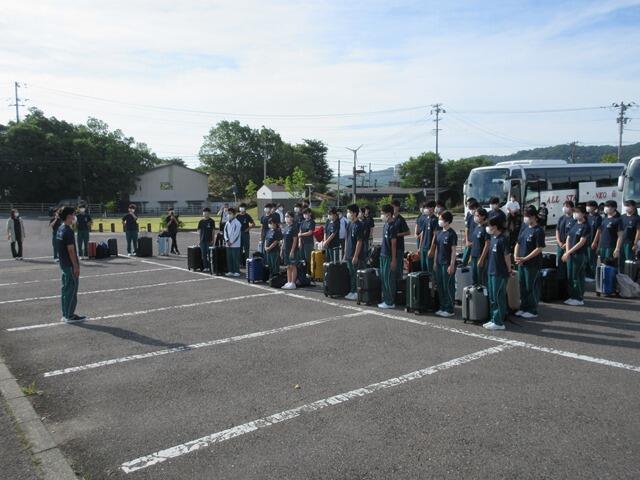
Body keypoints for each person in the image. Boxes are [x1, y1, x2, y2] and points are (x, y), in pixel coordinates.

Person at [514, 206, 545, 319]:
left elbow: (539, 248)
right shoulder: (525, 228)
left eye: (527, 216)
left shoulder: (538, 230)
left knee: (530, 286)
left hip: (532, 264)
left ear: (534, 217)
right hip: (521, 262)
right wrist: (516, 256)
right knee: (522, 286)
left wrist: (525, 258)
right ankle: (524, 307)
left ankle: (532, 310)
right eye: (525, 216)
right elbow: (518, 243)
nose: (525, 218)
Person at [56, 206, 85, 322]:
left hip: (64, 264)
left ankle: (65, 314)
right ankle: (69, 315)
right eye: (73, 214)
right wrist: (76, 266)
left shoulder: (60, 228)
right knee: (71, 290)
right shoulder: (68, 231)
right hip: (69, 265)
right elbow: (71, 250)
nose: (74, 217)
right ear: (69, 216)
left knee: (65, 290)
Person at [484, 217, 512, 331]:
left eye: (489, 225)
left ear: (495, 227)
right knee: (492, 297)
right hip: (491, 271)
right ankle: (493, 319)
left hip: (500, 273)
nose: (488, 228)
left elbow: (507, 256)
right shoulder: (493, 238)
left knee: (498, 297)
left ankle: (499, 322)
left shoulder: (503, 239)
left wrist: (509, 269)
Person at [562, 205, 591, 306]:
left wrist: (568, 252)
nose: (575, 214)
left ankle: (579, 298)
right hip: (570, 254)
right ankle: (572, 296)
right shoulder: (575, 224)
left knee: (577, 276)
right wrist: (567, 251)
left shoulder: (586, 226)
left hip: (579, 254)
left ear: (583, 214)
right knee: (570, 276)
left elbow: (581, 242)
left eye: (577, 212)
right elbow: (568, 238)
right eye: (574, 212)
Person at [430, 211, 457, 317]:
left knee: (448, 286)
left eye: (441, 219)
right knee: (440, 286)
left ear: (447, 221)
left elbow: (453, 251)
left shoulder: (452, 234)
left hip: (447, 264)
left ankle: (449, 309)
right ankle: (442, 307)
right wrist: (435, 262)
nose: (439, 221)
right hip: (439, 263)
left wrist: (452, 265)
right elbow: (436, 249)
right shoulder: (439, 233)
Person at [378, 204, 397, 309]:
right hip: (383, 255)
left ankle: (390, 302)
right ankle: (385, 299)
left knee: (388, 279)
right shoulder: (386, 225)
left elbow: (393, 244)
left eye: (382, 213)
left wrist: (393, 259)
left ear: (389, 214)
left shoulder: (392, 226)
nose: (381, 215)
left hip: (389, 256)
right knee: (383, 278)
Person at [344, 204, 364, 300]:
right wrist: (345, 252)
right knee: (351, 273)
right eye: (347, 212)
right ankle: (352, 291)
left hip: (355, 254)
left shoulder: (359, 225)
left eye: (349, 212)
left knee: (356, 273)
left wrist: (355, 256)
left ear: (355, 213)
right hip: (349, 253)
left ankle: (356, 292)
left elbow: (359, 241)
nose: (348, 214)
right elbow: (347, 238)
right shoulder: (349, 224)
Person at [593, 200, 621, 264]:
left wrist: (617, 248)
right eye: (605, 206)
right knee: (602, 265)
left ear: (614, 208)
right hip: (602, 246)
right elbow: (601, 233)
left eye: (608, 206)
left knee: (610, 265)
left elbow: (620, 236)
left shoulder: (617, 220)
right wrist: (598, 245)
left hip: (611, 247)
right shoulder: (604, 219)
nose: (606, 208)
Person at [555, 200, 575, 284]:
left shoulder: (574, 219)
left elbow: (573, 235)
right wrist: (559, 241)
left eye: (567, 206)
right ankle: (561, 282)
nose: (564, 208)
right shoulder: (561, 218)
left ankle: (569, 281)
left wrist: (566, 244)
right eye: (564, 206)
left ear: (572, 208)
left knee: (569, 265)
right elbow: (557, 230)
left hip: (569, 245)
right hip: (560, 245)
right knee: (560, 263)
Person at [469, 207, 490, 286]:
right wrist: (471, 256)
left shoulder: (486, 229)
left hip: (480, 256)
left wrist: (482, 259)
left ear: (483, 216)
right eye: (475, 215)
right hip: (474, 255)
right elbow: (474, 243)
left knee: (481, 279)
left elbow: (487, 244)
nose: (475, 217)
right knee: (474, 278)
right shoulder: (476, 227)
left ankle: (483, 293)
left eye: (477, 215)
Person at [617, 200, 640, 269]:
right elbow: (620, 231)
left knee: (629, 260)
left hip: (630, 243)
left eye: (628, 206)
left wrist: (635, 243)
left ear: (633, 207)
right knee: (621, 260)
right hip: (622, 242)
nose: (626, 207)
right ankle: (621, 274)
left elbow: (638, 231)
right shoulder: (622, 217)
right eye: (625, 205)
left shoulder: (637, 218)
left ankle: (629, 274)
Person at [392, 199, 410, 280]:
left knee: (398, 267)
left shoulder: (400, 219)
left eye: (394, 207)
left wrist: (397, 234)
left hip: (399, 247)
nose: (392, 209)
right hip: (391, 247)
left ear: (398, 207)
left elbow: (408, 232)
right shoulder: (390, 219)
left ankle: (399, 283)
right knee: (393, 268)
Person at [418, 201, 438, 273]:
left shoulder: (435, 220)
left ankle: (432, 280)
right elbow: (423, 233)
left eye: (427, 207)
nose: (425, 209)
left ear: (432, 208)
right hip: (423, 247)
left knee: (430, 270)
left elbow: (435, 235)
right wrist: (420, 247)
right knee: (423, 269)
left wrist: (432, 249)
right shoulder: (426, 219)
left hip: (429, 248)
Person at [281, 212, 299, 289]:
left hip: (292, 250)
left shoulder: (294, 227)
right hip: (286, 249)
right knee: (288, 266)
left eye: (287, 216)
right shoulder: (285, 227)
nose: (286, 218)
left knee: (293, 265)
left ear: (292, 218)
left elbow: (295, 240)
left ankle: (293, 283)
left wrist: (292, 251)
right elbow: (283, 240)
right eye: (285, 216)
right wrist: (281, 249)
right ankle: (289, 281)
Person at [585, 200, 602, 281]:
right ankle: (587, 275)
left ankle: (592, 276)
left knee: (592, 260)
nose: (587, 207)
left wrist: (595, 241)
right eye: (587, 206)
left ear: (594, 207)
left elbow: (598, 230)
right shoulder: (586, 216)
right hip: (585, 242)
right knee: (586, 259)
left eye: (589, 206)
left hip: (592, 241)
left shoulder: (598, 217)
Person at [223, 208, 242, 277]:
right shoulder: (227, 223)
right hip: (228, 244)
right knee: (229, 258)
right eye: (228, 213)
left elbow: (236, 234)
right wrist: (227, 240)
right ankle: (230, 271)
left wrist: (231, 242)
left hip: (235, 244)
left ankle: (237, 271)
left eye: (230, 213)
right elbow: (225, 232)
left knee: (235, 258)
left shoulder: (238, 223)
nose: (228, 215)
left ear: (234, 214)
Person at [197, 208, 216, 273]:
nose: (205, 214)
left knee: (209, 254)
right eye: (204, 212)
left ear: (209, 214)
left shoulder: (212, 221)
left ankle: (210, 267)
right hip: (202, 240)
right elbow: (199, 231)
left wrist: (213, 240)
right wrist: (199, 240)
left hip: (209, 240)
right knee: (203, 255)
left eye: (207, 213)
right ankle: (205, 267)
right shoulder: (201, 221)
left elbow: (213, 231)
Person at [462, 198, 479, 266]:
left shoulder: (479, 216)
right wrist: (466, 239)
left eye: (472, 208)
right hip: (469, 241)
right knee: (465, 258)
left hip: (475, 243)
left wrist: (473, 242)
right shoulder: (469, 214)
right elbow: (467, 227)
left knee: (472, 261)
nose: (471, 210)